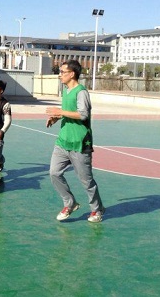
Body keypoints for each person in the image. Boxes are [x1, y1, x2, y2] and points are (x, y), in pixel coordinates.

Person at [46, 60, 105, 223]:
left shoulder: (81, 92)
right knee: (54, 173)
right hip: (62, 142)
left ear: (72, 74)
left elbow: (83, 114)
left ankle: (97, 209)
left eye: (62, 72)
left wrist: (60, 111)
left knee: (86, 181)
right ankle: (70, 203)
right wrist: (56, 117)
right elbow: (69, 112)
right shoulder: (66, 91)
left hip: (80, 143)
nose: (60, 75)